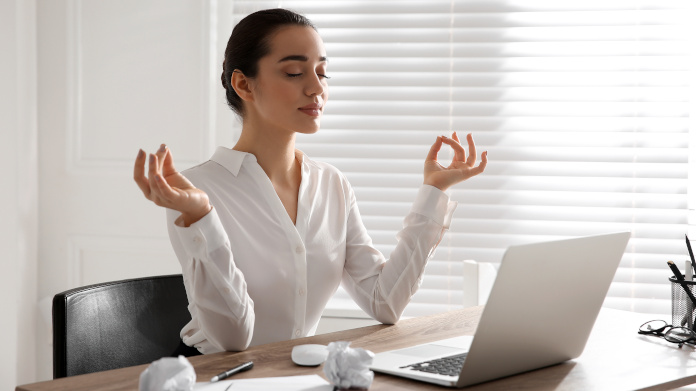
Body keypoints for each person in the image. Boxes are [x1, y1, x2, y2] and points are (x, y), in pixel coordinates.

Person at [133, 8, 487, 355]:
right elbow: (232, 339)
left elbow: (386, 303)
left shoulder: (332, 183)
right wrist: (202, 219)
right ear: (243, 84)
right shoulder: (196, 193)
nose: (317, 88)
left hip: (294, 375)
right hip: (210, 376)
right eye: (294, 72)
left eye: (322, 72)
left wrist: (434, 193)